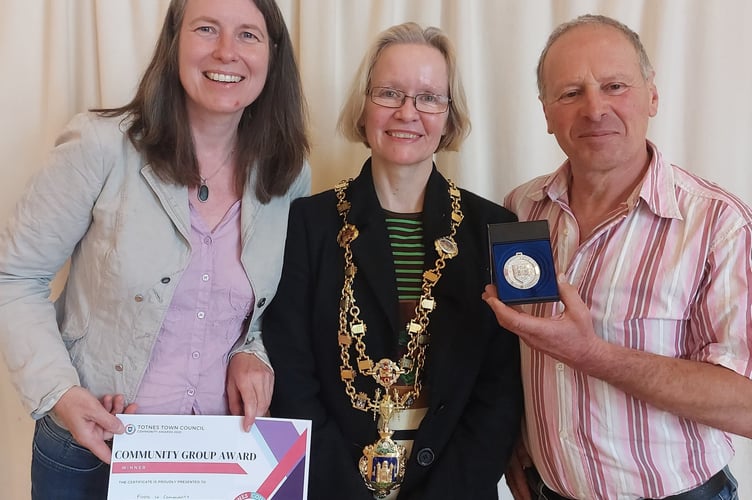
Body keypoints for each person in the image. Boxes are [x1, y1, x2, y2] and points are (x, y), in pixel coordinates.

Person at [0, 0, 309, 498]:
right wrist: (60, 394)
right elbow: (13, 278)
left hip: (218, 457)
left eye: (248, 35)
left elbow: (266, 311)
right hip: (93, 447)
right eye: (207, 29)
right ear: (174, 42)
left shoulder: (287, 177)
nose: (227, 51)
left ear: (273, 55)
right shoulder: (101, 146)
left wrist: (255, 353)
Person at [482, 13, 752, 500]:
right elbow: (506, 353)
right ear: (545, 112)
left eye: (614, 85)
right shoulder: (520, 209)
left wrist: (594, 355)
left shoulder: (719, 224)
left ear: (652, 95)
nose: (594, 108)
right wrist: (509, 437)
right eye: (570, 93)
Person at [264, 22, 522, 500]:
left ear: (449, 117)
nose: (408, 112)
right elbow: (292, 377)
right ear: (363, 107)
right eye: (389, 93)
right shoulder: (307, 223)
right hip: (330, 487)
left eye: (428, 97)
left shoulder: (494, 229)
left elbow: (500, 393)